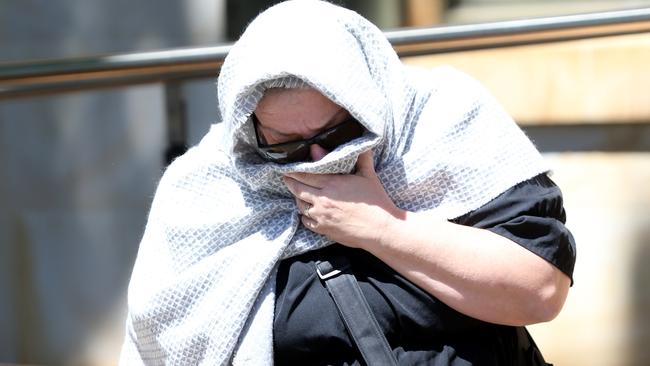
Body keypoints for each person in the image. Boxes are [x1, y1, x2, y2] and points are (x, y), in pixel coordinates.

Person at [120, 1, 576, 365]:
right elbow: (160, 340)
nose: (318, 158)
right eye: (285, 145)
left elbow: (540, 292)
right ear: (247, 129)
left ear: (370, 98)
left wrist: (385, 227)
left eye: (337, 134)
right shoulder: (207, 188)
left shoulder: (440, 125)